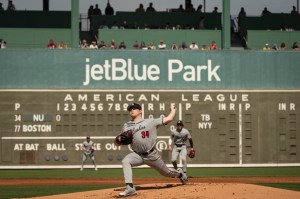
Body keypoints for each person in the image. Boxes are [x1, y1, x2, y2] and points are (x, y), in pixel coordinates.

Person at [116, 103, 188, 197]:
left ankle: (180, 174)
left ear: (140, 110)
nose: (132, 110)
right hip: (137, 155)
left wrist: (173, 110)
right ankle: (130, 188)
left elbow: (169, 119)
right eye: (130, 109)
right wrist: (117, 141)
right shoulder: (126, 125)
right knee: (126, 161)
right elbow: (119, 142)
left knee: (167, 172)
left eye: (134, 108)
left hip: (151, 155)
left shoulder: (150, 121)